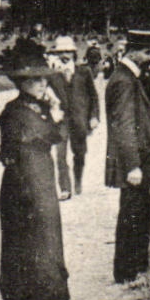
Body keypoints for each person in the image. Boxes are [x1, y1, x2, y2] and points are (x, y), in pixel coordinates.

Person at [0, 37, 70, 300]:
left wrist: (54, 112)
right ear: (22, 83)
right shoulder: (15, 112)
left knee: (46, 234)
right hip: (23, 183)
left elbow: (56, 136)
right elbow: (44, 137)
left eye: (43, 80)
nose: (42, 85)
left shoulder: (38, 108)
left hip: (41, 179)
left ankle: (49, 295)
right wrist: (55, 116)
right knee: (28, 238)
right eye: (35, 80)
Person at [104, 29, 150, 284]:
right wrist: (132, 166)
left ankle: (138, 266)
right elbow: (124, 126)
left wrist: (148, 68)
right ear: (133, 52)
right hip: (134, 162)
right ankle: (125, 272)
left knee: (142, 212)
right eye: (148, 52)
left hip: (142, 159)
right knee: (131, 214)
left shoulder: (136, 76)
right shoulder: (123, 81)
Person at [50, 36, 100, 197]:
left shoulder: (84, 72)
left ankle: (78, 180)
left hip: (79, 120)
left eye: (68, 51)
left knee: (79, 153)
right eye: (61, 52)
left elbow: (93, 96)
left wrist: (94, 116)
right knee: (60, 155)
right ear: (57, 54)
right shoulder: (52, 74)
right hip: (60, 121)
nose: (65, 55)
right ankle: (65, 188)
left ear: (73, 53)